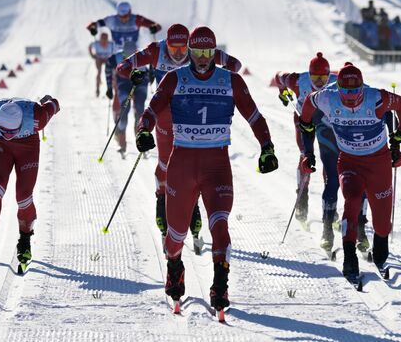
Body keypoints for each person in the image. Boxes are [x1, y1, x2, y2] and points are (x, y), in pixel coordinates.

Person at [135, 26, 278, 311]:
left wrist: (267, 147)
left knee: (220, 227)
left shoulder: (231, 81)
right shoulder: (175, 78)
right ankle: (175, 266)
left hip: (217, 167)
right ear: (189, 51)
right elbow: (151, 109)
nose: (202, 58)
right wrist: (144, 131)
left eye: (208, 52)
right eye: (197, 52)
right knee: (175, 237)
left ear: (215, 53)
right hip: (182, 166)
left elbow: (254, 116)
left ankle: (220, 287)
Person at [117, 23, 242, 248]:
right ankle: (161, 198)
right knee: (166, 162)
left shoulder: (198, 50)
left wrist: (221, 74)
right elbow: (123, 66)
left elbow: (236, 65)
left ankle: (191, 208)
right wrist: (133, 73)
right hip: (165, 114)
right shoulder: (156, 50)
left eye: (183, 50)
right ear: (166, 45)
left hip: (191, 116)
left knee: (189, 166)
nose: (178, 54)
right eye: (173, 49)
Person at [299, 62, 401, 280]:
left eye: (355, 90)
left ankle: (380, 252)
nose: (351, 96)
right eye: (345, 91)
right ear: (337, 87)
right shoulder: (327, 97)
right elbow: (307, 104)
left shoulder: (376, 97)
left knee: (381, 221)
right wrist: (306, 127)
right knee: (351, 200)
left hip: (378, 163)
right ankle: (349, 256)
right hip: (349, 161)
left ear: (362, 87)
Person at [274, 53, 369, 252]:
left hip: (327, 124)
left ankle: (334, 214)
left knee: (332, 165)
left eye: (323, 78)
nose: (319, 82)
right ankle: (302, 199)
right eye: (314, 77)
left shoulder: (335, 81)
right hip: (304, 122)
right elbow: (278, 76)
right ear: (308, 74)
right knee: (305, 157)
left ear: (328, 75)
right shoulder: (298, 80)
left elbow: (358, 88)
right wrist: (283, 91)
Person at [0, 95, 60, 269]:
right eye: (5, 130)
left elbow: (55, 104)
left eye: (12, 131)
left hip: (28, 146)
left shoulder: (37, 117)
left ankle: (25, 242)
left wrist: (48, 101)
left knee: (24, 196)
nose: (9, 135)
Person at [105, 41, 149, 157]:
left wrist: (151, 77)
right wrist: (109, 87)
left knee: (140, 110)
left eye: (133, 55)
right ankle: (121, 142)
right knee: (124, 109)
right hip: (123, 83)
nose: (129, 59)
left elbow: (152, 68)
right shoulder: (116, 57)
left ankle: (141, 140)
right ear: (123, 53)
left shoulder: (143, 56)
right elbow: (108, 67)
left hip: (140, 82)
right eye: (126, 56)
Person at [86, 1, 161, 49]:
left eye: (126, 16)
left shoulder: (137, 19)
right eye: (121, 16)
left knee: (140, 72)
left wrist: (154, 28)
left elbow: (157, 26)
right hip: (117, 54)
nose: (123, 19)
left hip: (134, 54)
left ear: (130, 12)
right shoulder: (111, 20)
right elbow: (92, 25)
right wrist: (93, 28)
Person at [88, 32, 114, 97]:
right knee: (99, 71)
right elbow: (90, 46)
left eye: (105, 39)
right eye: (103, 39)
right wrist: (92, 55)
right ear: (100, 39)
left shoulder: (111, 44)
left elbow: (117, 48)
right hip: (99, 59)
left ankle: (111, 88)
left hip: (108, 59)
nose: (104, 41)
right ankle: (97, 89)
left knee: (112, 72)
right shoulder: (96, 43)